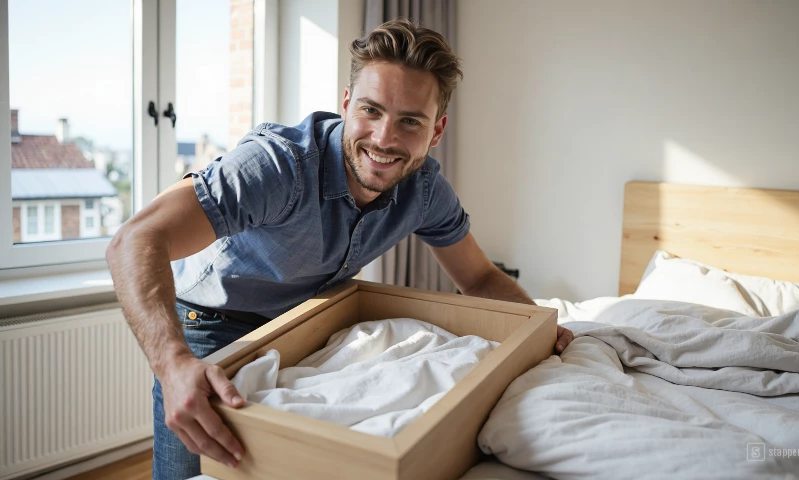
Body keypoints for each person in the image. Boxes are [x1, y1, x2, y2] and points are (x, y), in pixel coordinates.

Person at [106, 18, 574, 480]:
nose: (385, 138)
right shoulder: (277, 166)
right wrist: (173, 364)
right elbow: (135, 239)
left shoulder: (426, 190)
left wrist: (536, 327)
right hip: (208, 323)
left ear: (437, 131)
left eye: (410, 121)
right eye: (371, 110)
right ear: (347, 104)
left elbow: (478, 278)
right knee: (195, 472)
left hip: (308, 321)